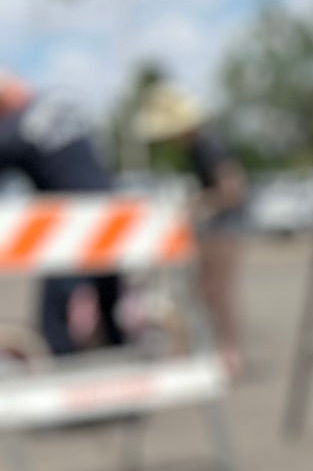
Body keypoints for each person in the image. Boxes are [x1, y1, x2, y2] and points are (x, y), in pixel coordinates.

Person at [0, 68, 126, 355]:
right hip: (111, 211)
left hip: (72, 221)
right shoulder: (57, 107)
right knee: (110, 301)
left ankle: (62, 363)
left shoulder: (20, 122)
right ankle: (122, 354)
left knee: (54, 312)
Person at [133, 82, 248, 378]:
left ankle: (228, 352)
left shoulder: (208, 146)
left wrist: (195, 205)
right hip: (217, 226)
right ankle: (219, 349)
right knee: (207, 291)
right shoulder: (200, 148)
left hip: (223, 228)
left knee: (216, 291)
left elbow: (232, 189)